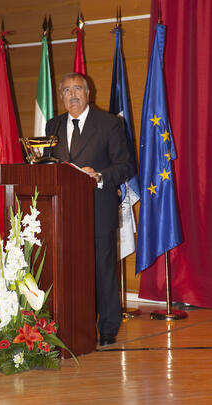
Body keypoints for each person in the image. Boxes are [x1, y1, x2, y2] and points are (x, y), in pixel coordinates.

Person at [45, 73, 133, 346]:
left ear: (88, 93)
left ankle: (107, 328)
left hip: (98, 210)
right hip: (63, 214)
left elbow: (125, 167)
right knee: (68, 272)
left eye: (78, 89)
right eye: (67, 90)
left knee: (102, 271)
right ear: (61, 96)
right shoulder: (53, 126)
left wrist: (100, 176)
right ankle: (74, 324)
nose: (72, 95)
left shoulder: (109, 124)